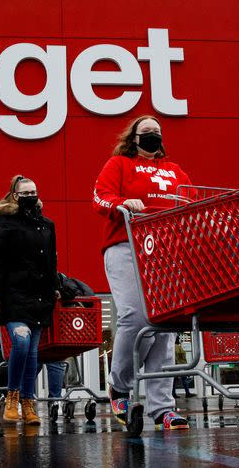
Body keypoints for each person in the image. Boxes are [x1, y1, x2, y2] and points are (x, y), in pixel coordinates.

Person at [93, 115, 192, 431]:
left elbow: (192, 200)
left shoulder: (174, 171)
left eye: (157, 131)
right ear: (133, 137)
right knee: (135, 317)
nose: (152, 135)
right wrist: (123, 203)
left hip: (165, 248)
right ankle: (120, 385)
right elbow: (99, 196)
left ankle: (163, 407)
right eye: (146, 131)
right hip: (126, 245)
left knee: (165, 324)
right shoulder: (120, 164)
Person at [0, 174, 60, 425]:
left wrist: (55, 287)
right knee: (22, 343)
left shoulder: (47, 225)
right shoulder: (6, 224)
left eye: (34, 192)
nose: (31, 196)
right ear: (15, 195)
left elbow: (51, 261)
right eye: (25, 193)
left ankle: (28, 404)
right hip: (13, 295)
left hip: (39, 296)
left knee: (33, 354)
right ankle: (12, 398)